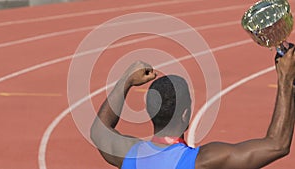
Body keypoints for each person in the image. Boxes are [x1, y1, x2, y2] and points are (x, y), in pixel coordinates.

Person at [90, 45, 295, 169]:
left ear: (149, 111)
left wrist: (126, 80)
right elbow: (277, 144)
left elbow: (99, 130)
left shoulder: (129, 154)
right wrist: (286, 80)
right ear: (186, 114)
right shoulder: (203, 161)